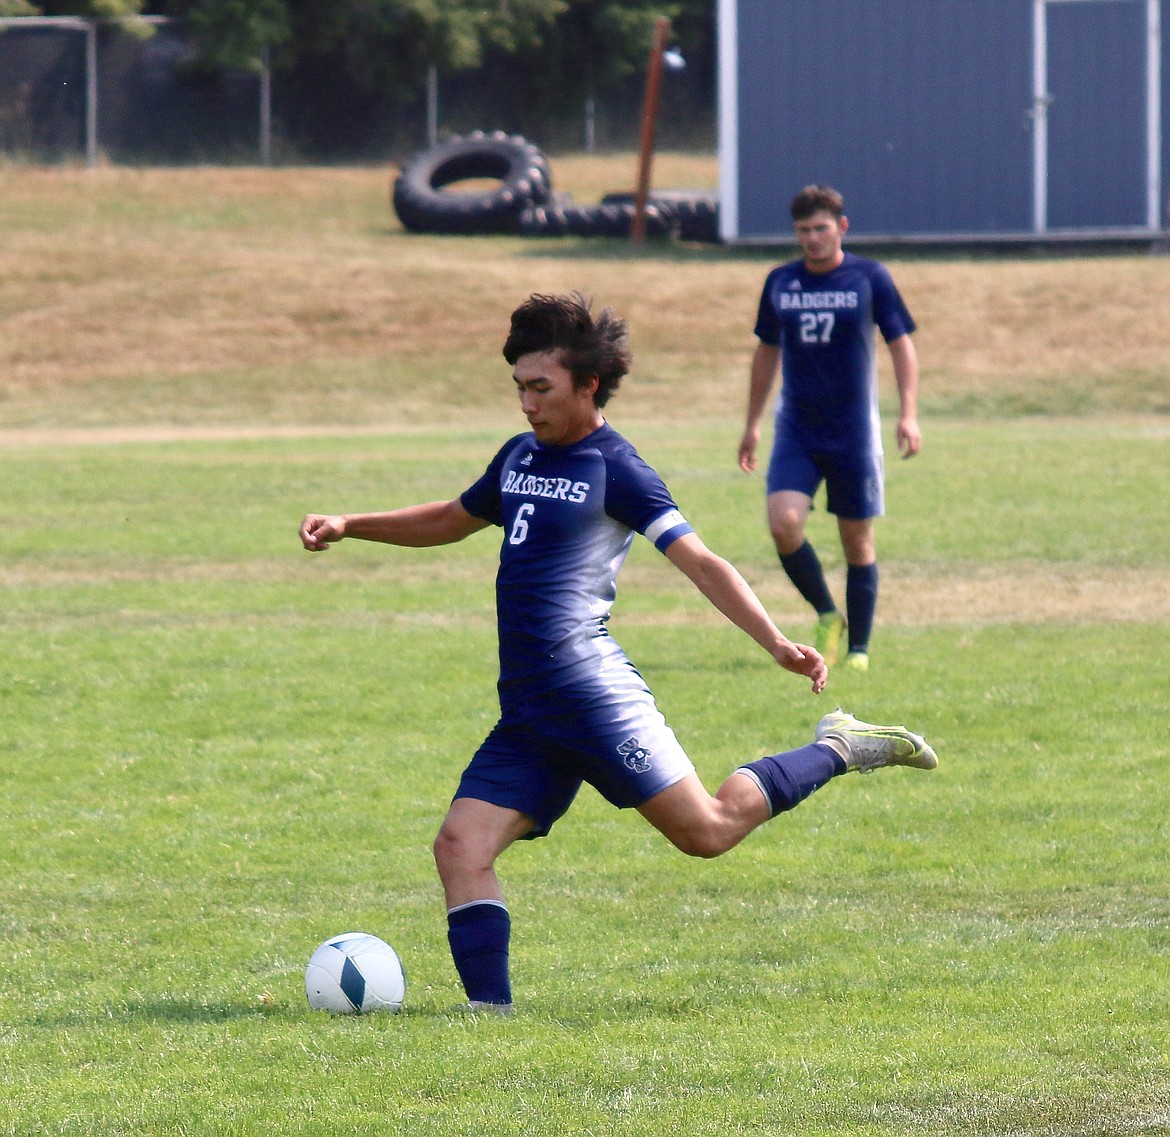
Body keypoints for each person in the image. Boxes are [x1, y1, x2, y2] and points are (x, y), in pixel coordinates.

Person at [300, 292, 937, 1014]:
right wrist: (352, 524)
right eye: (519, 387)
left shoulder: (617, 467)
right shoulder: (517, 457)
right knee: (459, 845)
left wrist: (776, 642)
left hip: (596, 699)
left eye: (541, 387)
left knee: (708, 831)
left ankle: (839, 746)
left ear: (587, 384)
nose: (527, 404)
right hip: (532, 712)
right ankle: (489, 1018)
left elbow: (701, 562)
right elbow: (451, 517)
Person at [737, 184, 922, 672]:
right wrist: (752, 423)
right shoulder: (781, 282)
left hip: (854, 432)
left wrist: (908, 412)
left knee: (856, 540)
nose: (812, 238)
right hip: (797, 428)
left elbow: (901, 343)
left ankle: (858, 648)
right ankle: (826, 613)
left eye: (821, 228)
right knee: (784, 524)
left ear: (841, 227)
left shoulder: (869, 277)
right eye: (803, 230)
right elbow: (766, 352)